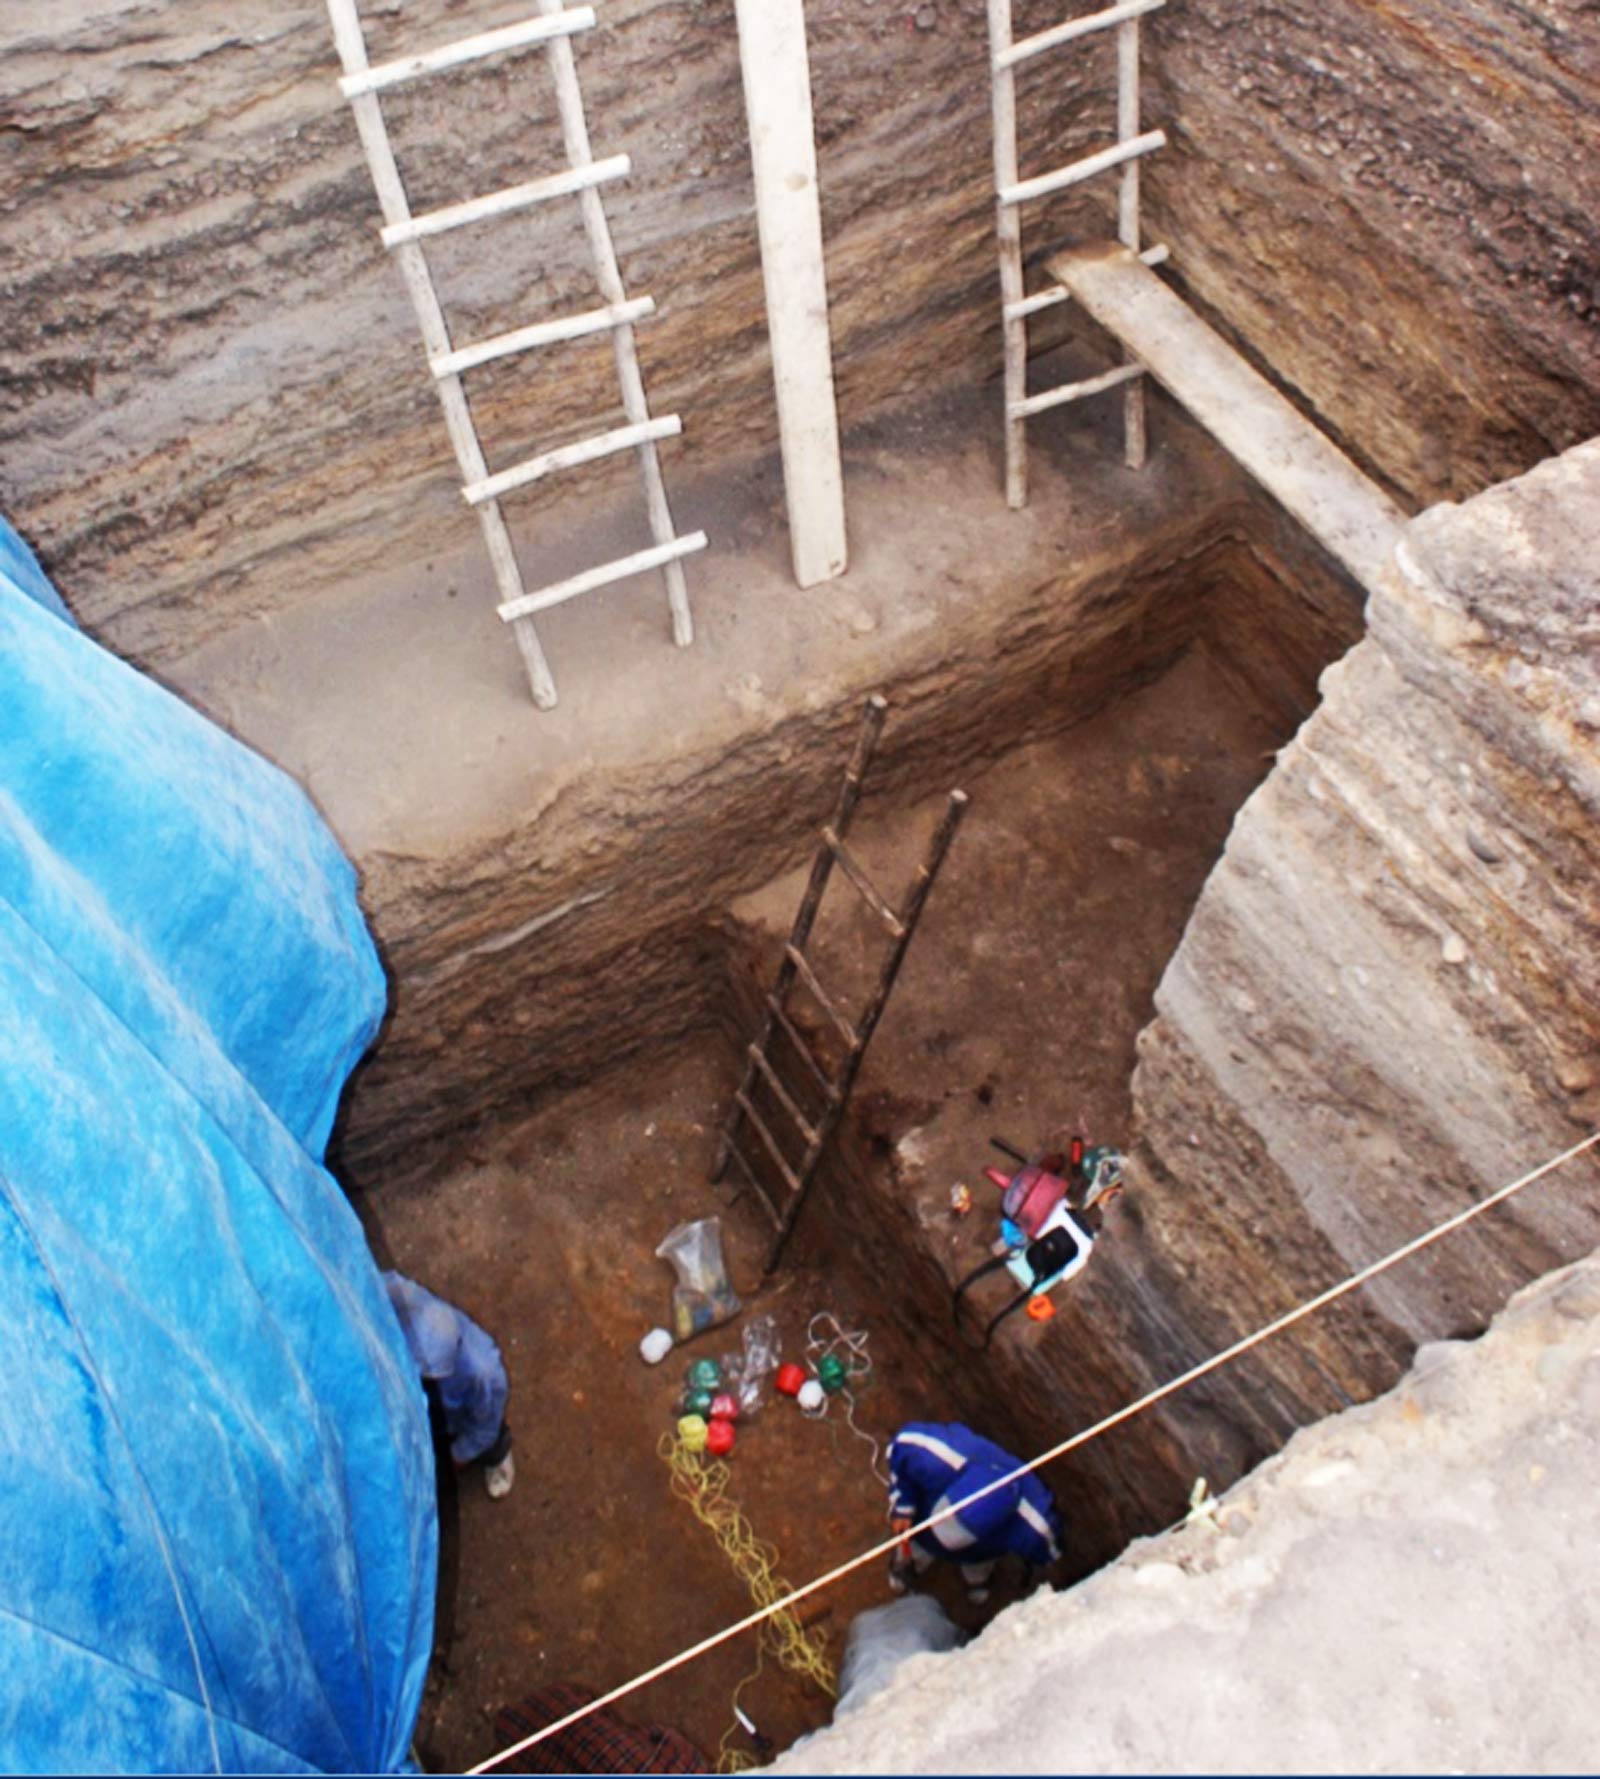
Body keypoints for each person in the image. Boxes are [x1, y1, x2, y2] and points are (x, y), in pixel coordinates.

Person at [885, 1421, 1060, 1603]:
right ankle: (907, 1565)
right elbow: (901, 1451)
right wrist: (903, 1508)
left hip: (978, 1551)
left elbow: (1050, 1552)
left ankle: (977, 1580)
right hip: (923, 1525)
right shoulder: (938, 1457)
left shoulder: (1034, 1527)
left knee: (977, 1564)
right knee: (916, 1545)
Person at [383, 1270, 515, 1499]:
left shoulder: (484, 1375)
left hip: (457, 1417)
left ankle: (497, 1457)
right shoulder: (404, 1298)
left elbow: (482, 1428)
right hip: (426, 1406)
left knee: (490, 1434)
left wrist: (458, 1456)